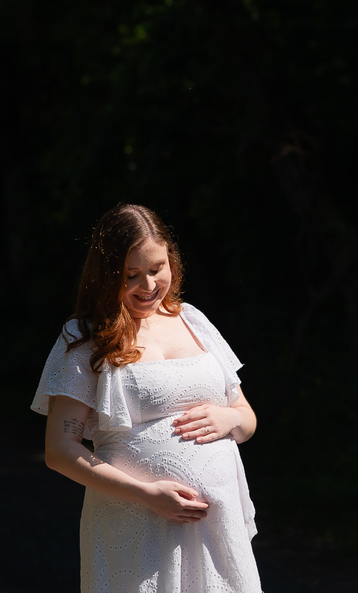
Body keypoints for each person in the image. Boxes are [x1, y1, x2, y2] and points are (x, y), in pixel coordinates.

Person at [31, 203, 262, 593]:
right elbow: (59, 450)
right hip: (134, 522)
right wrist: (148, 495)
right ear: (106, 277)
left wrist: (232, 420)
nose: (149, 285)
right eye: (131, 275)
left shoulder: (194, 321)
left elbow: (246, 415)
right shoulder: (85, 338)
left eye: (157, 269)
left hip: (215, 528)